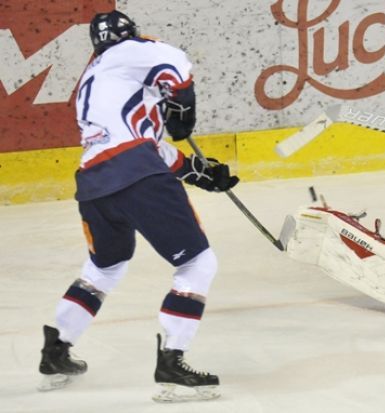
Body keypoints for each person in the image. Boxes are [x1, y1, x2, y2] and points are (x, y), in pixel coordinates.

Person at [38, 10, 238, 401]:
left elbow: (136, 140)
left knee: (104, 267)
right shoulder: (133, 50)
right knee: (198, 263)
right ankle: (172, 363)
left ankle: (57, 349)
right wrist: (183, 109)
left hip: (94, 184)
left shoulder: (92, 81)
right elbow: (177, 65)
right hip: (135, 173)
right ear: (129, 33)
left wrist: (197, 171)